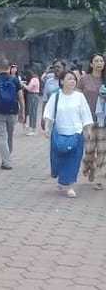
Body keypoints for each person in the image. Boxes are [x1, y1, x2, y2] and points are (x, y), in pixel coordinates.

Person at [43, 71, 93, 198]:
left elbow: (86, 114)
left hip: (76, 132)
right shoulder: (56, 96)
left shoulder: (79, 97)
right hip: (59, 133)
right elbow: (48, 113)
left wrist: (87, 131)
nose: (73, 81)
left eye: (74, 79)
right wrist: (47, 127)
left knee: (73, 160)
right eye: (70, 79)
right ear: (61, 81)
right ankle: (61, 178)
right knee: (59, 159)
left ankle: (70, 186)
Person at [0, 59, 25, 170]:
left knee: (1, 137)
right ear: (9, 68)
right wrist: (23, 112)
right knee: (9, 136)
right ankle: (6, 159)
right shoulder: (15, 80)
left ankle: (7, 162)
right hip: (13, 111)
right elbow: (20, 97)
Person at [78, 53, 106, 189]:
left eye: (102, 61)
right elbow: (77, 97)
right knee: (89, 150)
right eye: (97, 61)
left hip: (103, 121)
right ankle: (89, 166)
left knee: (102, 151)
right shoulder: (84, 79)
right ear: (91, 64)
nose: (100, 63)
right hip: (88, 121)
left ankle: (100, 180)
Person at [41, 59, 66, 131]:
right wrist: (43, 117)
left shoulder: (68, 81)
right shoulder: (48, 82)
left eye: (58, 67)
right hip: (52, 115)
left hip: (65, 115)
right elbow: (45, 100)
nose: (56, 69)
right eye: (54, 67)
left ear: (63, 68)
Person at [21, 70, 40, 135]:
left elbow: (29, 88)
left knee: (32, 112)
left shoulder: (33, 80)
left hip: (32, 95)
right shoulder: (36, 79)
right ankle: (32, 127)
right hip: (35, 95)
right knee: (33, 112)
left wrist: (23, 84)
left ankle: (33, 128)